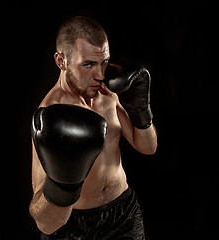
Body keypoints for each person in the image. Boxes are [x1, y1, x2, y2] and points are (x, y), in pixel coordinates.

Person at [29, 16, 157, 240]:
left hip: (123, 214)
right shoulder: (51, 116)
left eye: (104, 62)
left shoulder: (107, 95)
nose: (100, 75)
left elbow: (148, 147)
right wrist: (61, 187)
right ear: (61, 61)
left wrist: (141, 109)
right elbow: (45, 223)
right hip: (72, 227)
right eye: (88, 64)